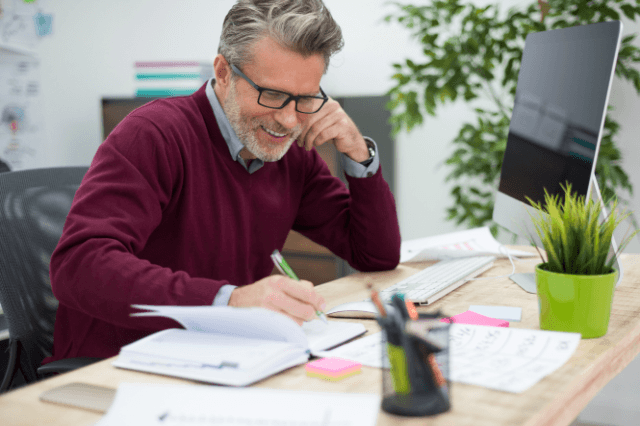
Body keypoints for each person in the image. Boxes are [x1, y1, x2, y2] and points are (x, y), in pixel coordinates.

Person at [45, 0, 401, 363]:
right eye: (273, 94)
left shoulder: (289, 153)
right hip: (121, 363)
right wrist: (230, 301)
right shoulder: (153, 134)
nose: (291, 120)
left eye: (306, 98)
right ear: (224, 72)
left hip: (228, 357)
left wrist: (358, 151)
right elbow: (78, 266)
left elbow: (376, 255)